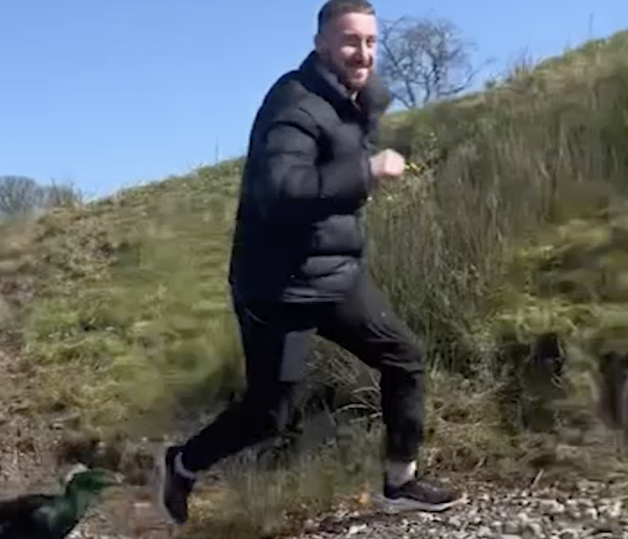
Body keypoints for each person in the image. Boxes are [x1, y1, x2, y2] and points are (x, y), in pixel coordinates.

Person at [155, 0, 465, 525]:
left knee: (405, 357)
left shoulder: (351, 97)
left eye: (370, 41)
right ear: (320, 43)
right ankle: (183, 464)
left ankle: (399, 482)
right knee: (268, 415)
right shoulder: (293, 105)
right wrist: (365, 173)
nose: (362, 52)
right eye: (349, 40)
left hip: (334, 274)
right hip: (278, 290)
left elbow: (341, 146)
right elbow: (281, 190)